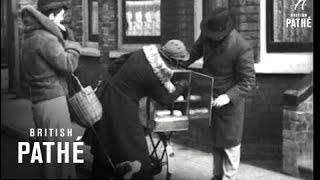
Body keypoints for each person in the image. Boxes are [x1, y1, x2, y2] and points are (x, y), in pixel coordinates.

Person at [83, 40, 190, 179]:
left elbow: (116, 64)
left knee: (105, 140)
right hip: (122, 105)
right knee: (134, 147)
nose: (177, 65)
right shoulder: (153, 73)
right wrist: (182, 84)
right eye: (177, 62)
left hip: (108, 95)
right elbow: (165, 99)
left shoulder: (143, 53)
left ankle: (100, 173)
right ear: (170, 60)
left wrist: (128, 82)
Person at [182, 8, 256, 180]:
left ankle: (229, 178)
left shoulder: (241, 48)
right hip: (209, 96)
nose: (208, 36)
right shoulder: (208, 35)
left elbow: (248, 81)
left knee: (230, 145)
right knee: (216, 142)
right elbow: (194, 52)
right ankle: (216, 176)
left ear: (224, 32)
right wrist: (178, 63)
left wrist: (228, 96)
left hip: (229, 104)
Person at [20, 0, 81, 179]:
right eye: (61, 16)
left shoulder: (30, 37)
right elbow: (68, 64)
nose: (62, 21)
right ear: (52, 16)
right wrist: (73, 45)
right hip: (53, 102)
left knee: (51, 154)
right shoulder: (45, 38)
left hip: (40, 102)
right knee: (59, 155)